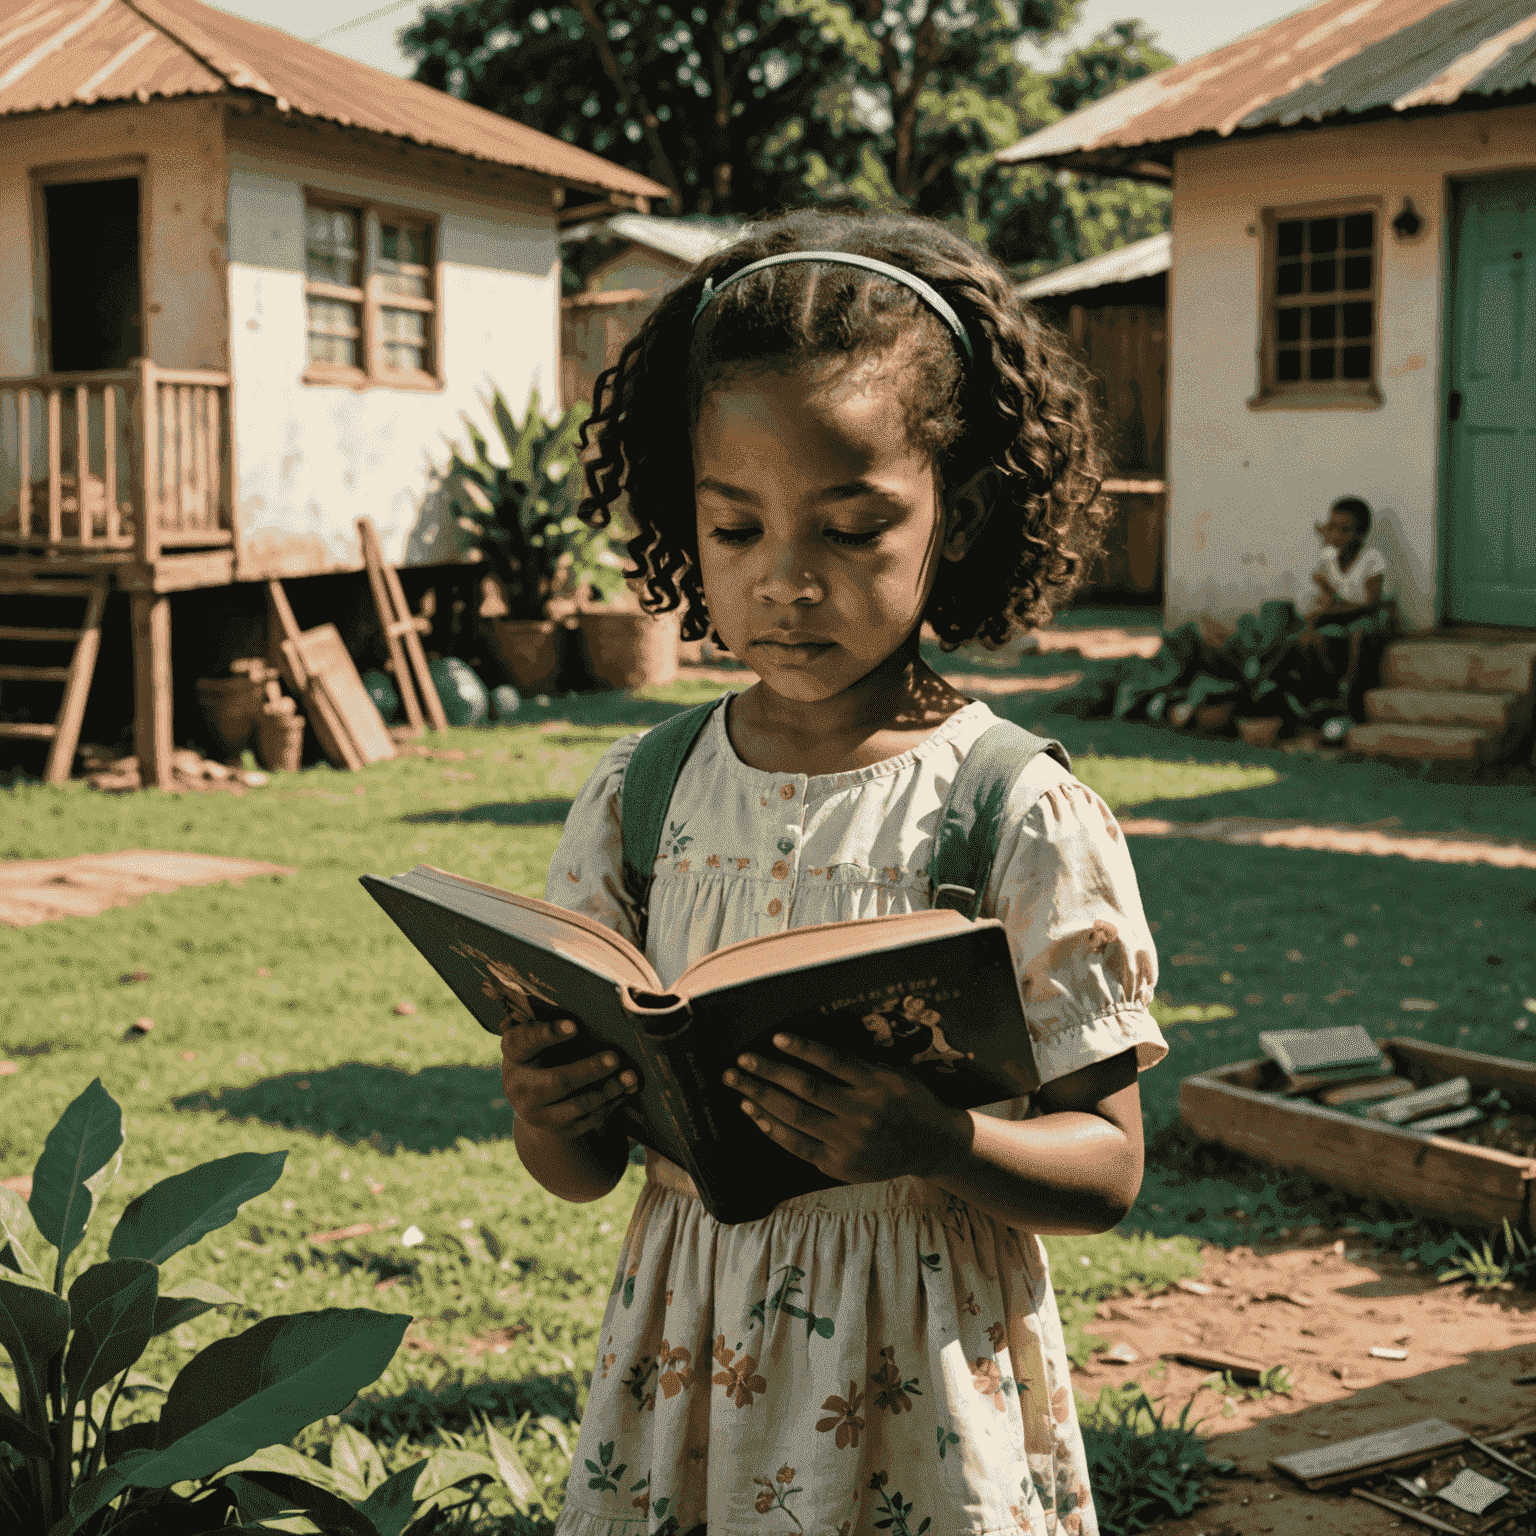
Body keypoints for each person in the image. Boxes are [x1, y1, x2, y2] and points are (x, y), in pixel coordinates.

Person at [498, 208, 1166, 1536]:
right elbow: (575, 1175)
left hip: (920, 1369)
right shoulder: (642, 796)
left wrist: (938, 1139)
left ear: (957, 513)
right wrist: (546, 1104)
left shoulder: (1015, 810)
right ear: (682, 518)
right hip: (693, 1360)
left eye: (854, 529)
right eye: (737, 530)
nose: (789, 582)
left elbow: (1112, 1167)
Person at [1298, 496, 1390, 707]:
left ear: (1361, 534)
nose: (1335, 535)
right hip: (1338, 618)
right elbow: (1330, 598)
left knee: (1359, 633)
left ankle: (1351, 693)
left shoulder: (1371, 558)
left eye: (1344, 530)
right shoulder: (1328, 558)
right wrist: (1325, 598)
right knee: (1310, 639)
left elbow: (1372, 604)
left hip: (1366, 619)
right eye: (1331, 527)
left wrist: (1330, 613)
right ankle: (1327, 694)